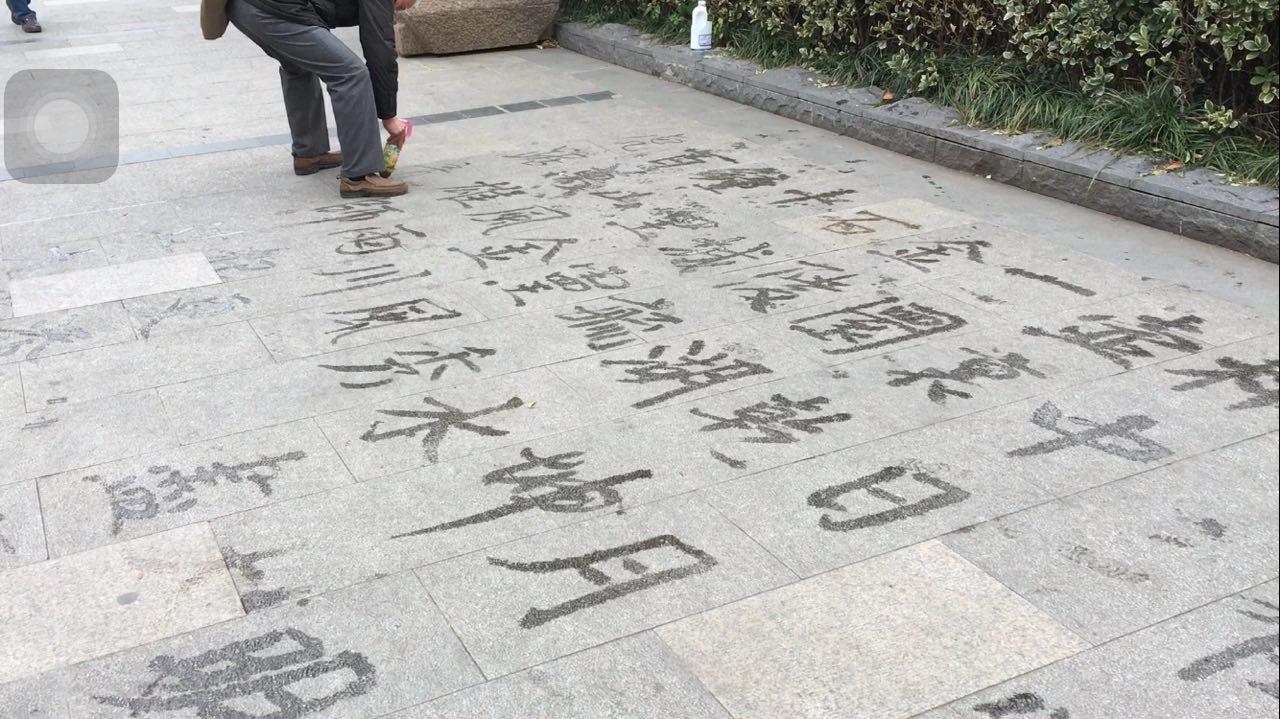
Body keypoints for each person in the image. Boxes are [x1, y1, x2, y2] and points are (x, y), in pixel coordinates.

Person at [228, 0, 415, 197]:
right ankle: (359, 176)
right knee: (351, 75)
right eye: (405, 4)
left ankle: (309, 152)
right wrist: (389, 116)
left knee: (297, 63)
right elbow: (379, 46)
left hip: (243, 8)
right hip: (271, 10)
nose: (401, 9)